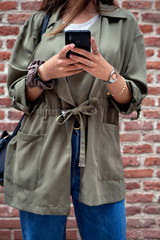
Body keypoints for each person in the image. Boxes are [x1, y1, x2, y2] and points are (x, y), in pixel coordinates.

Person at [4, 0, 148, 239]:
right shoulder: (40, 22)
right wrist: (44, 73)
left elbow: (131, 101)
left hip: (99, 152)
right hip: (42, 148)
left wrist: (108, 74)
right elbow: (17, 93)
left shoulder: (124, 22)